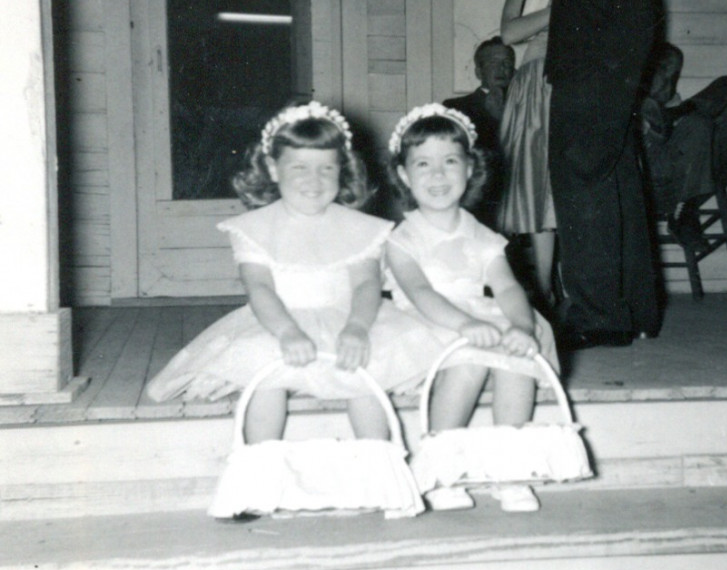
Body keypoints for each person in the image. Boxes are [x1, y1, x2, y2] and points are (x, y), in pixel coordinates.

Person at [146, 101, 439, 447]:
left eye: (326, 169)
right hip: (278, 320)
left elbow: (365, 285)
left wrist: (358, 329)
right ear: (273, 168)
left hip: (348, 318)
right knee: (265, 370)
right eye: (300, 167)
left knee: (367, 370)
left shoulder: (359, 228)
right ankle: (262, 459)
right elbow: (260, 290)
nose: (313, 181)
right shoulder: (255, 228)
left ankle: (376, 459)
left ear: (341, 170)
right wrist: (286, 332)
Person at [385, 103, 559, 513]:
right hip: (428, 321)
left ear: (469, 169)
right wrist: (464, 324)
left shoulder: (482, 235)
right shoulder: (402, 238)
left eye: (450, 161)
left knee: (516, 359)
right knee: (469, 361)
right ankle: (441, 471)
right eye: (423, 164)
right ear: (405, 176)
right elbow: (420, 293)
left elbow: (507, 285)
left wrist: (520, 324)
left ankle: (509, 470)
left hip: (477, 315)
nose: (438, 174)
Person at [528, 0, 670, 350]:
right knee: (612, 172)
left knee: (581, 169)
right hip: (614, 33)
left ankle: (601, 315)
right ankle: (635, 308)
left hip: (598, 37)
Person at [496, 0, 570, 314]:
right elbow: (509, 31)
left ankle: (574, 284)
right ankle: (542, 288)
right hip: (536, 79)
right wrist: (562, 11)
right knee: (537, 188)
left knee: (567, 187)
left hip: (577, 78)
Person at [641, 42, 727, 251]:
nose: (668, 79)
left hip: (699, 181)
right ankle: (686, 214)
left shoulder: (687, 116)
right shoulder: (627, 106)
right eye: (661, 70)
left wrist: (678, 112)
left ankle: (687, 213)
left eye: (672, 72)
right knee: (698, 123)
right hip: (656, 187)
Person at [443, 36, 516, 228]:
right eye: (494, 63)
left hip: (519, 197)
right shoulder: (455, 108)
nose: (502, 69)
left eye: (508, 63)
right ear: (478, 71)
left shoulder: (527, 108)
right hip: (477, 201)